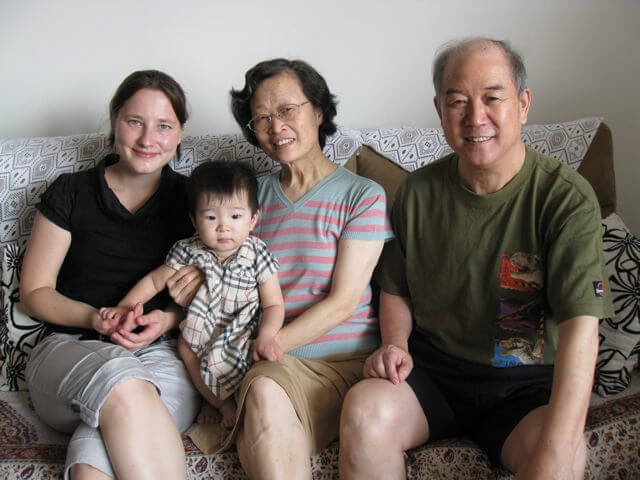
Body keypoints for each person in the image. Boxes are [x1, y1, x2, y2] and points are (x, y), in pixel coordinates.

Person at [339, 38, 613, 479]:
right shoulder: (416, 194)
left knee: (562, 460)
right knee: (365, 412)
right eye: (458, 101)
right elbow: (396, 289)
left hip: (526, 388)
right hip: (434, 374)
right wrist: (395, 345)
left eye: (492, 98)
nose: (475, 117)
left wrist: (561, 441)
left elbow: (582, 328)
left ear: (523, 104)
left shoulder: (564, 200)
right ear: (439, 110)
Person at [20, 70, 202, 480]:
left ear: (179, 134)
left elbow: (207, 291)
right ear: (114, 120)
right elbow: (34, 292)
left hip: (160, 354)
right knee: (123, 383)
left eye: (164, 126)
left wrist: (167, 320)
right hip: (69, 349)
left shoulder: (195, 200)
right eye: (135, 121)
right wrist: (93, 317)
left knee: (93, 462)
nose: (147, 139)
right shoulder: (71, 191)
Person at [218, 58, 393, 478]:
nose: (275, 126)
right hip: (278, 366)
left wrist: (267, 346)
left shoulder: (362, 195)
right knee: (262, 390)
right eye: (261, 118)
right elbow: (228, 279)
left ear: (318, 111)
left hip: (347, 362)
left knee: (264, 379)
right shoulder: (249, 200)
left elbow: (344, 301)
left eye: (287, 110)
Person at [99, 160, 285, 428]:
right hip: (201, 329)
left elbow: (274, 304)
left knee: (258, 361)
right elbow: (154, 280)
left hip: (243, 330)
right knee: (186, 347)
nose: (223, 227)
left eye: (235, 216)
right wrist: (126, 305)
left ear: (253, 219)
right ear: (194, 220)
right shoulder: (187, 250)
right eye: (211, 217)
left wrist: (267, 336)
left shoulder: (258, 253)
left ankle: (242, 401)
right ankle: (217, 402)